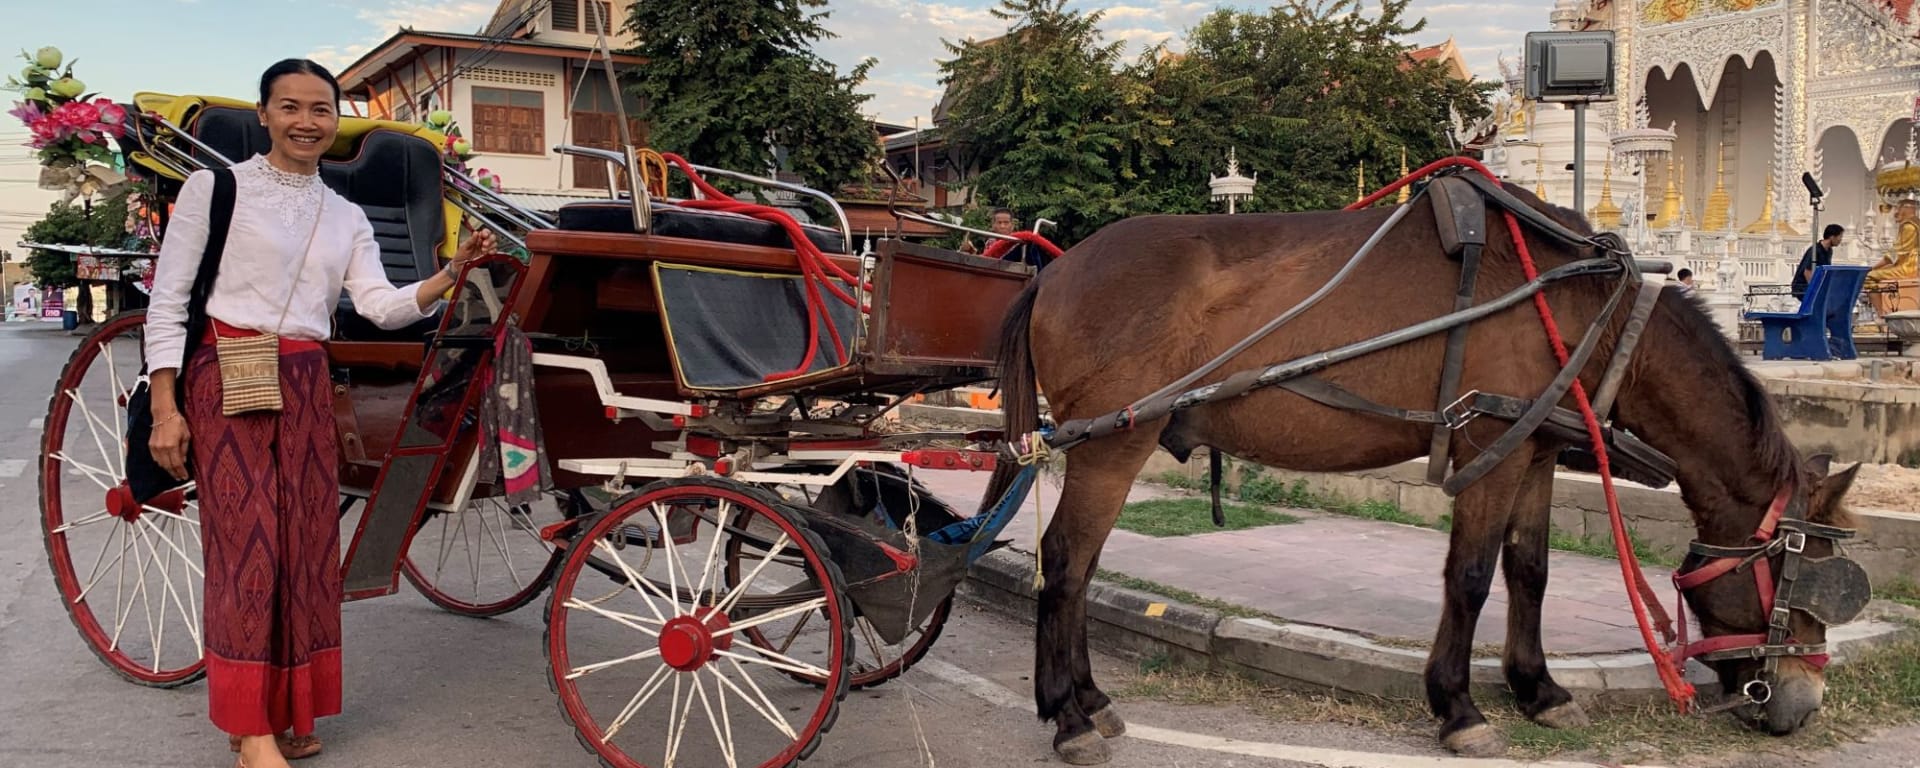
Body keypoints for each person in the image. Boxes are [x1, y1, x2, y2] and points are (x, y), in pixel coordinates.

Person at [142, 59, 494, 768]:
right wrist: (164, 407)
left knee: (305, 552)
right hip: (228, 372)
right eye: (290, 107)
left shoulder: (346, 213)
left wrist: (447, 276)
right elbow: (169, 302)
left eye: (320, 109)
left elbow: (378, 305)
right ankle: (250, 729)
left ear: (335, 120)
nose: (306, 121)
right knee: (248, 549)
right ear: (265, 114)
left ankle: (292, 708)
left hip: (305, 381)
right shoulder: (219, 187)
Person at [1792, 224, 1846, 300]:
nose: (1840, 240)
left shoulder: (1829, 250)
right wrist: (1814, 290)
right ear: (1832, 237)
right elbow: (1807, 272)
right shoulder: (1815, 250)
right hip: (1803, 287)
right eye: (1840, 237)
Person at [1869, 199, 1917, 283]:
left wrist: (1871, 268)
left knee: (1869, 276)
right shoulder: (1914, 223)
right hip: (1908, 265)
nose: (1895, 212)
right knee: (1883, 269)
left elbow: (1892, 255)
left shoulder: (1908, 227)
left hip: (1909, 267)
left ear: (1905, 210)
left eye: (1898, 208)